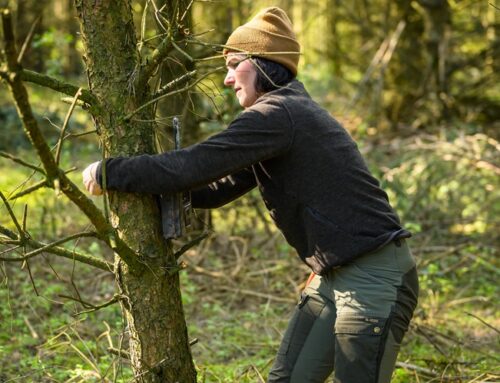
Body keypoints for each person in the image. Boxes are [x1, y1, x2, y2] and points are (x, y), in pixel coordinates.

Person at [82, 7, 418, 383]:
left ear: (263, 63)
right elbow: (216, 187)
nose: (226, 79)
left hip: (374, 276)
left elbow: (194, 165)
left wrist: (112, 170)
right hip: (332, 276)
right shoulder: (283, 117)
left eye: (233, 64)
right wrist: (161, 194)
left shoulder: (278, 114)